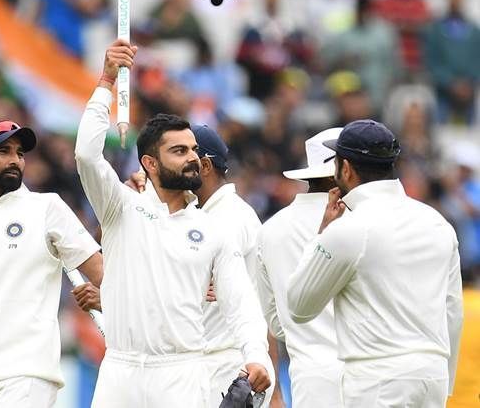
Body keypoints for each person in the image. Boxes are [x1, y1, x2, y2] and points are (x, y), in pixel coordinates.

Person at [75, 39, 269, 408]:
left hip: (182, 373)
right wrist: (106, 81)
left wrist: (256, 354)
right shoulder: (122, 208)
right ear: (150, 163)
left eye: (194, 149)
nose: (193, 158)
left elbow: (240, 302)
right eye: (179, 151)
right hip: (121, 370)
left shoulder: (213, 228)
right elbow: (86, 154)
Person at [287, 120, 463, 407]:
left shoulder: (349, 229)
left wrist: (322, 235)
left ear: (345, 169)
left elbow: (299, 307)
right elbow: (452, 310)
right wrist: (445, 381)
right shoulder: (437, 221)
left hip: (377, 380)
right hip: (433, 376)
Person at [126, 125, 281, 408]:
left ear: (205, 166)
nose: (184, 163)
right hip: (220, 364)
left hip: (226, 367)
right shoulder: (209, 215)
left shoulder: (227, 219)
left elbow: (241, 306)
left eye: (190, 154)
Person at [0, 120, 103, 408]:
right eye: (3, 151)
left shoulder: (46, 208)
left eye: (19, 153)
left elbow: (103, 273)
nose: (15, 160)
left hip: (27, 374)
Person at [254, 127, 345, 407]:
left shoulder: (271, 230)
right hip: (366, 374)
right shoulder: (360, 220)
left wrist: (306, 332)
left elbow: (275, 322)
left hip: (310, 376)